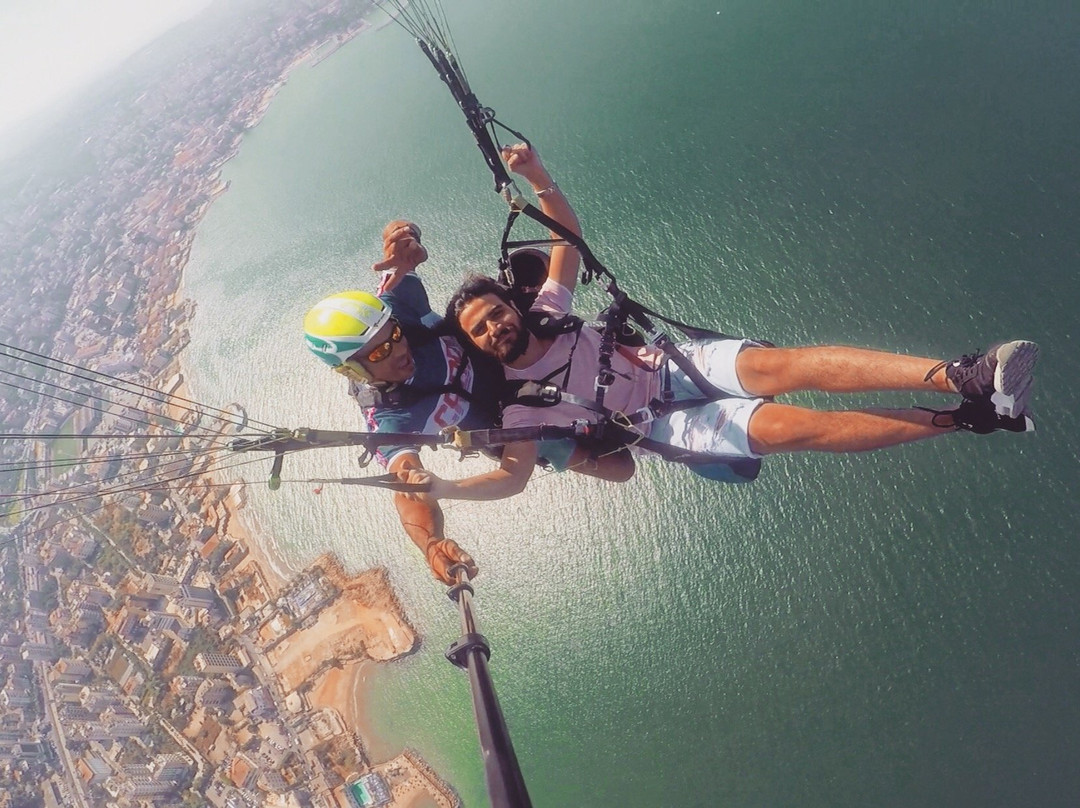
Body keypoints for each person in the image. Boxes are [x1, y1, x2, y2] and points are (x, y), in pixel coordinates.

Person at [401, 144, 1039, 503]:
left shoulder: (549, 311)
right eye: (480, 330)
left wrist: (537, 175)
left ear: (511, 306)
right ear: (477, 346)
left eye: (494, 314)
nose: (494, 328)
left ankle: (964, 376)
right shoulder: (519, 411)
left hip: (672, 366)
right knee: (799, 429)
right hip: (667, 425)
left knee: (788, 365)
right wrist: (444, 489)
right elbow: (512, 477)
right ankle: (968, 418)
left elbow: (566, 236)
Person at [303, 221, 630, 583]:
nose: (398, 349)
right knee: (620, 467)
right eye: (379, 352)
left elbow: (401, 253)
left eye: (394, 335)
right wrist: (431, 544)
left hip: (500, 352)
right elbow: (407, 488)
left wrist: (405, 238)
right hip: (509, 420)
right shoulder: (390, 416)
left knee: (527, 277)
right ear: (351, 371)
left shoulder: (395, 311)